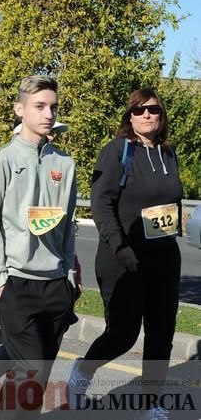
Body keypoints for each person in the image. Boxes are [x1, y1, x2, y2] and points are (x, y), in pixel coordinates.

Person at [67, 89, 183, 420]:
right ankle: (82, 373)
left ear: (161, 115)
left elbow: (171, 204)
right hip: (122, 259)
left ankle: (151, 403)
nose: (147, 115)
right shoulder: (118, 152)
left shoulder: (169, 154)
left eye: (153, 109)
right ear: (129, 117)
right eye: (139, 110)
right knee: (122, 334)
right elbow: (102, 204)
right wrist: (120, 247)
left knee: (162, 334)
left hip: (163, 259)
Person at [0, 76, 77, 419]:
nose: (48, 113)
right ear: (20, 110)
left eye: (53, 107)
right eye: (39, 106)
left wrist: (70, 277)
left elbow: (68, 226)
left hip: (56, 284)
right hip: (16, 282)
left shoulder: (64, 163)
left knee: (36, 377)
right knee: (30, 374)